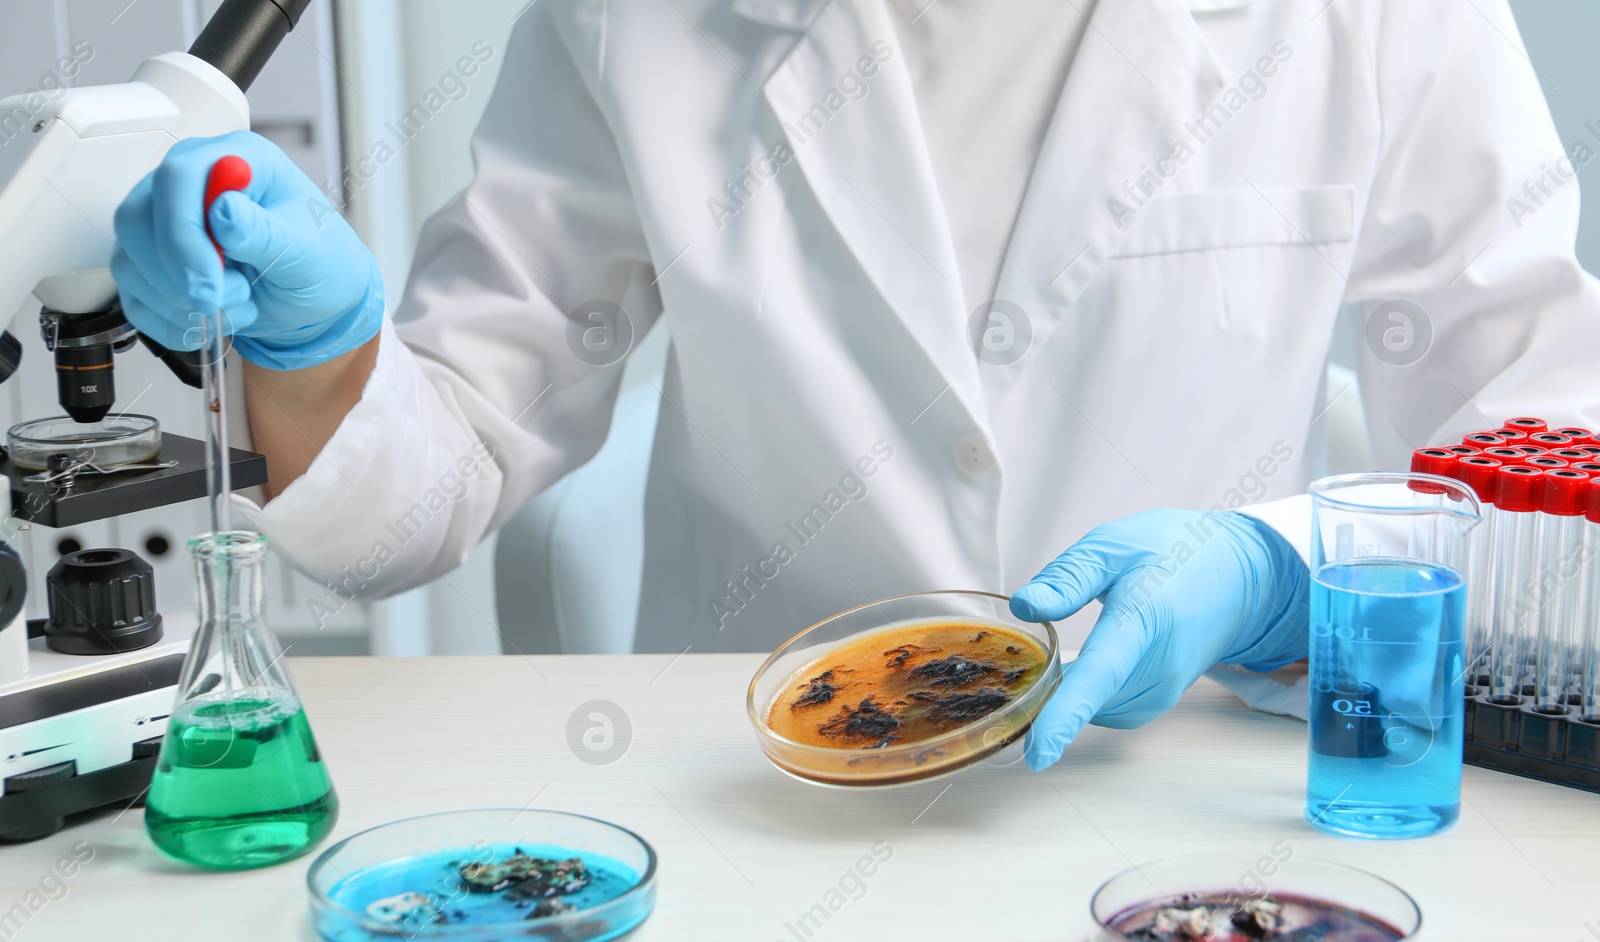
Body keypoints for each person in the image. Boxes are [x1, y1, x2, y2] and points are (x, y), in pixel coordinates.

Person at [112, 0, 1600, 769]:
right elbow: (430, 489)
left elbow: (1554, 465)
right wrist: (314, 361)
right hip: (759, 831)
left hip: (1206, 832)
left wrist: (1282, 573)